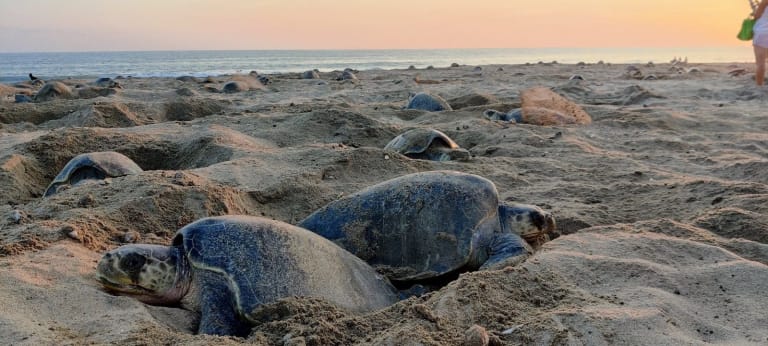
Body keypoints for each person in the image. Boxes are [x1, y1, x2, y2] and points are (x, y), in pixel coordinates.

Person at [752, 0, 768, 85]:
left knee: (760, 63)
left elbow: (757, 16)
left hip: (762, 33)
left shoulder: (765, 2)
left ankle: (759, 86)